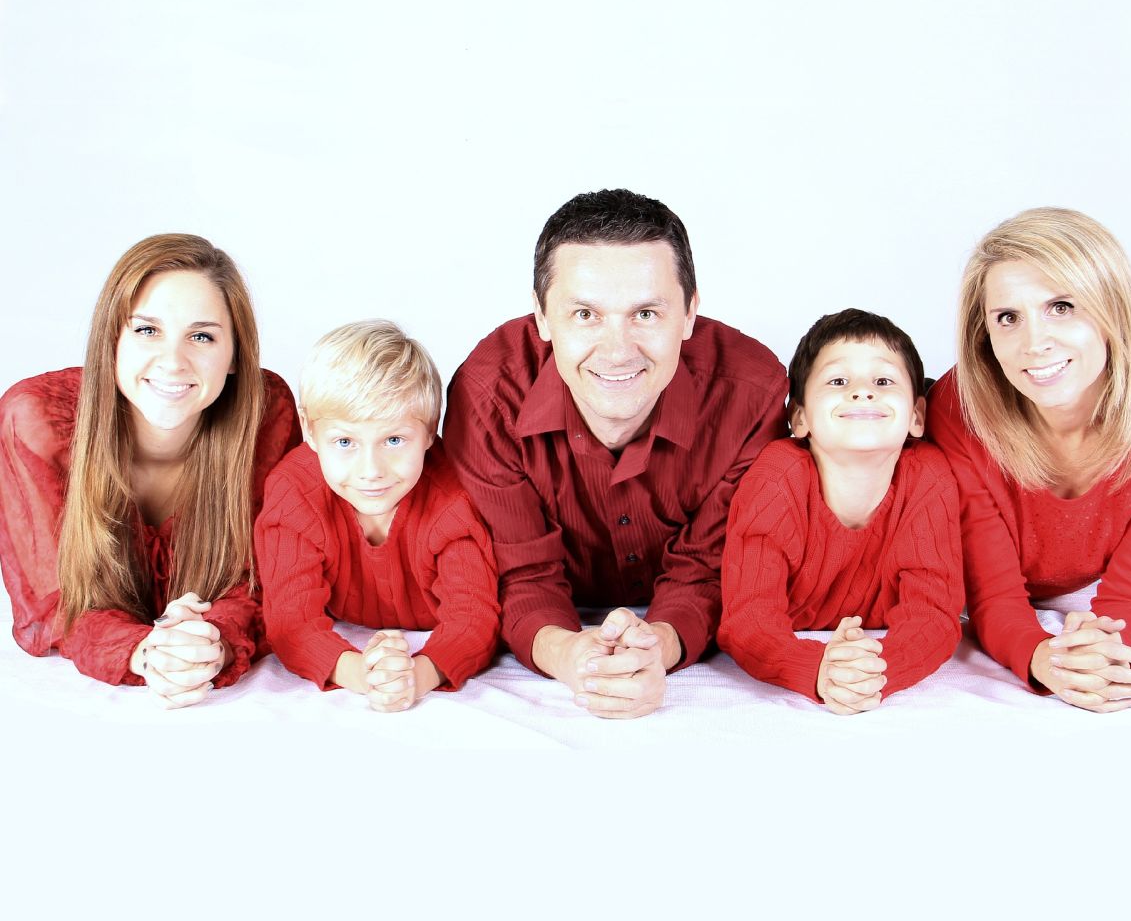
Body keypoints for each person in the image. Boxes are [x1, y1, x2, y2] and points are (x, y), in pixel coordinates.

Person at [443, 188, 788, 718]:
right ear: (540, 318)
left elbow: (709, 570)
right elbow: (521, 574)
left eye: (646, 313)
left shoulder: (752, 393)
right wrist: (571, 655)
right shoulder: (488, 396)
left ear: (691, 313)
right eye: (585, 314)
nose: (618, 348)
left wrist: (659, 648)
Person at [0, 233, 300, 706]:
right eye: (147, 330)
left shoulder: (267, 415)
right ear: (112, 341)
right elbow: (51, 606)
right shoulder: (37, 420)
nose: (173, 361)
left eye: (201, 336)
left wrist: (213, 641)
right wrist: (145, 653)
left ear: (236, 355)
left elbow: (273, 580)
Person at [926, 207, 1131, 712]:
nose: (1035, 343)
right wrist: (1042, 658)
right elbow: (991, 594)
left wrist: (1109, 654)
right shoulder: (958, 407)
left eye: (1062, 306)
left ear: (1112, 308)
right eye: (1008, 318)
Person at [719, 309, 963, 713]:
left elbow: (934, 614)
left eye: (883, 381)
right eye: (838, 381)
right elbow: (749, 618)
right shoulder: (776, 478)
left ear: (917, 416)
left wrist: (878, 670)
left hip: (870, 661)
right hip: (804, 650)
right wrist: (816, 670)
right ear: (799, 418)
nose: (862, 392)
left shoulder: (928, 477)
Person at [255, 321, 501, 711]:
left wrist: (416, 675)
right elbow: (291, 621)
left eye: (393, 440)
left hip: (425, 636)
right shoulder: (294, 491)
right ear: (310, 431)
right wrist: (363, 673)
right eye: (345, 441)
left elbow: (473, 617)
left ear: (430, 432)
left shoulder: (452, 496)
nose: (371, 470)